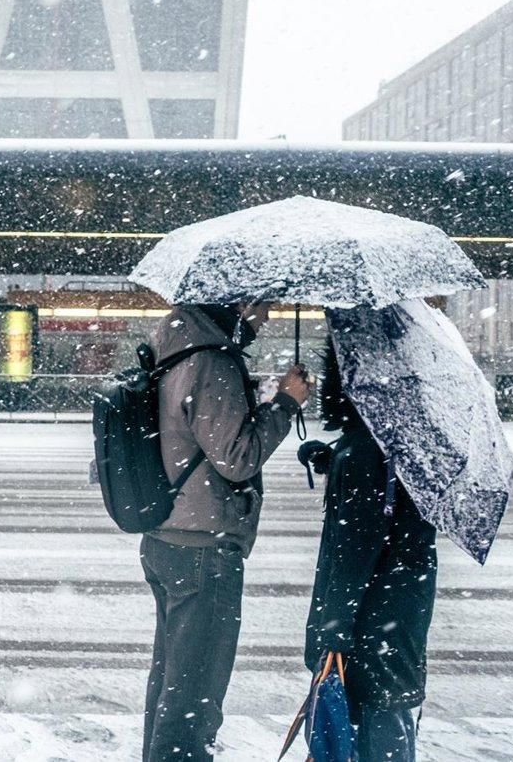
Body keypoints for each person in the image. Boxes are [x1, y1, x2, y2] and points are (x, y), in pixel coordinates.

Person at [142, 303, 309, 762]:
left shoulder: (173, 345)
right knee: (194, 695)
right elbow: (237, 458)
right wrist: (286, 403)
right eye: (262, 308)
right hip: (202, 546)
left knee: (171, 684)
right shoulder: (211, 362)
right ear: (238, 301)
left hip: (167, 534)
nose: (266, 319)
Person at [305, 341, 437, 762]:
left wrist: (334, 622)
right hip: (396, 612)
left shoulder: (367, 450)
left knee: (375, 722)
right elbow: (388, 515)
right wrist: (335, 460)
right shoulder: (396, 438)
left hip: (371, 616)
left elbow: (355, 548)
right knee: (388, 713)